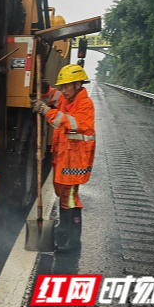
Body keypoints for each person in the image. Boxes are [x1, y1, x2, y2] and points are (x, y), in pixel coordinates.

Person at [31, 64, 96, 252]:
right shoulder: (67, 99)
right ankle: (64, 227)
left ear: (78, 85)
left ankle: (73, 240)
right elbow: (55, 97)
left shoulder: (85, 104)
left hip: (75, 161)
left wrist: (46, 111)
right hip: (64, 158)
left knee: (70, 198)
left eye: (66, 86)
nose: (63, 90)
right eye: (62, 86)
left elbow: (70, 123)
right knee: (62, 194)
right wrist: (45, 90)